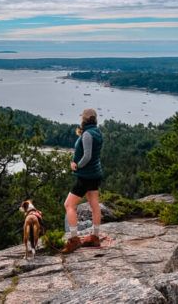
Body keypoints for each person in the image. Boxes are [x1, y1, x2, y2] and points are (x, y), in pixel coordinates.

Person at [62, 108, 103, 254]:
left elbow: (87, 156)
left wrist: (76, 165)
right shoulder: (98, 132)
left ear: (84, 119)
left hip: (85, 176)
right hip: (95, 174)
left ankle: (74, 240)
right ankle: (95, 237)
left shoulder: (87, 134)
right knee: (94, 205)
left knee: (69, 205)